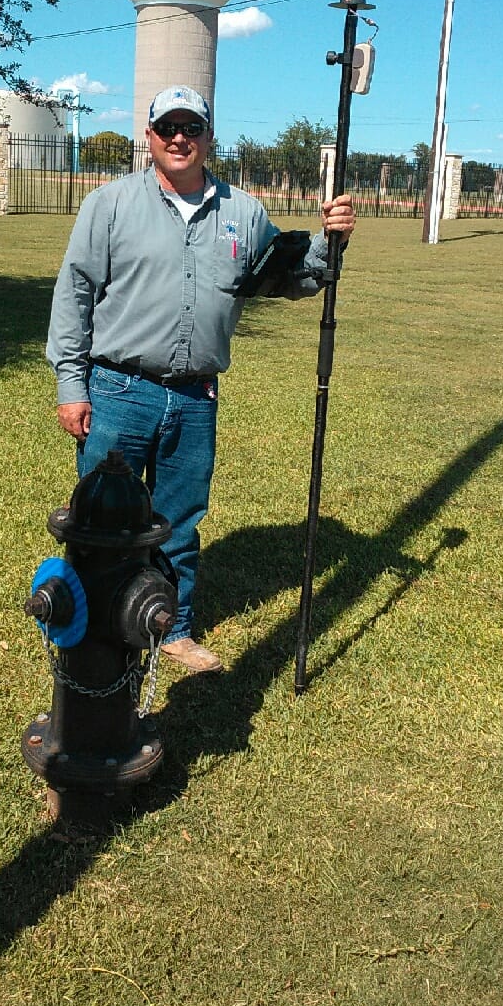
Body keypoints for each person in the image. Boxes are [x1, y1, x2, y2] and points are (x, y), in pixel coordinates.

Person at [46, 85, 356, 673]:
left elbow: (282, 278)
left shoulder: (243, 212)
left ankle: (171, 627)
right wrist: (71, 385)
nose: (179, 138)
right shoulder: (108, 205)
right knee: (103, 517)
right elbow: (75, 294)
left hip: (195, 397)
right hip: (116, 390)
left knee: (179, 520)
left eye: (192, 128)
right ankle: (85, 624)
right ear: (151, 136)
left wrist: (328, 241)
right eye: (168, 128)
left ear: (209, 137)